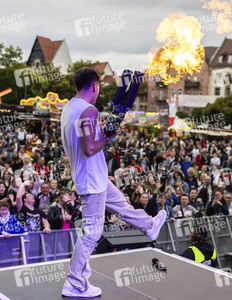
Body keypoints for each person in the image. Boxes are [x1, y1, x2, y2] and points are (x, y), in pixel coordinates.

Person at [60, 68, 166, 297]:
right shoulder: (89, 110)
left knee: (122, 205)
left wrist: (102, 130)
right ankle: (75, 282)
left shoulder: (69, 108)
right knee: (91, 233)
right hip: (91, 181)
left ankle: (149, 226)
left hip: (95, 177)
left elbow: (84, 139)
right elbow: (89, 148)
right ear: (95, 86)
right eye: (99, 88)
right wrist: (107, 137)